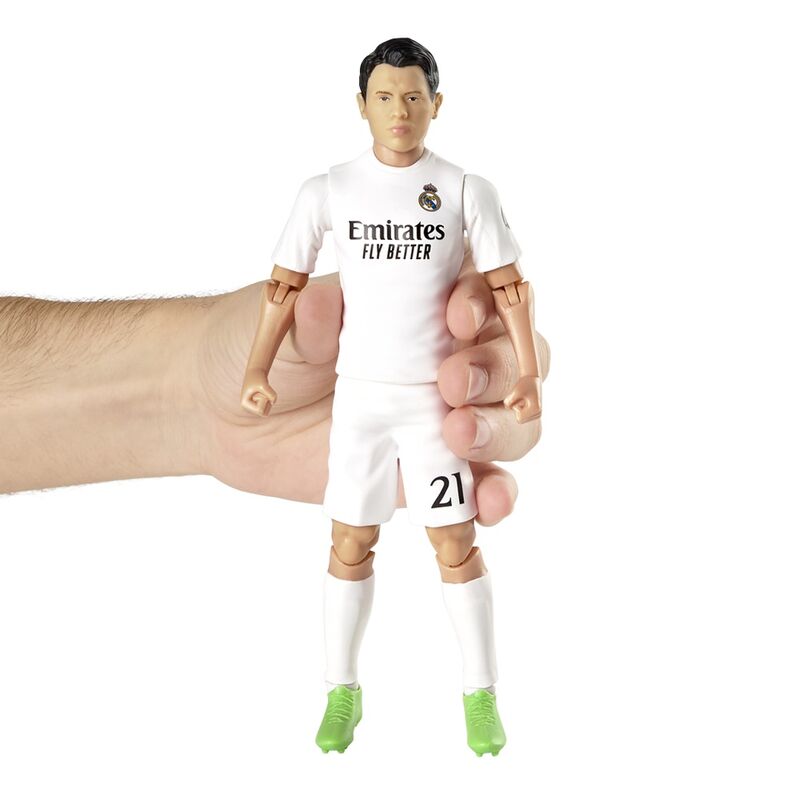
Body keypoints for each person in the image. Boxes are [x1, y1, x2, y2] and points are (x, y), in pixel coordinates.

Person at [240, 38, 545, 756]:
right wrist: (257, 368)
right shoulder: (328, 189)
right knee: (350, 540)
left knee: (455, 542)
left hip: (433, 402)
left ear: (436, 105)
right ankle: (341, 690)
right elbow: (283, 284)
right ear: (361, 106)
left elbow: (508, 287)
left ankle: (481, 694)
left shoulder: (465, 189)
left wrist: (526, 372)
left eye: (413, 97)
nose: (399, 111)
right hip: (359, 400)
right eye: (384, 97)